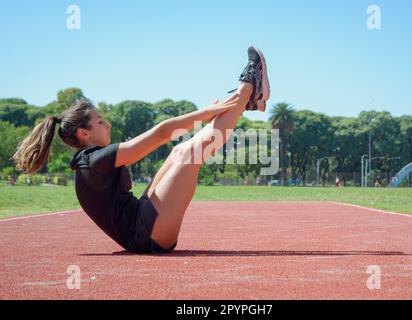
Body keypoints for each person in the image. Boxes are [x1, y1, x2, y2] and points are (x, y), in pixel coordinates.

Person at [12, 47, 270, 254]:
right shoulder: (92, 162)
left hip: (143, 223)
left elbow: (164, 137)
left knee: (181, 151)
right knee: (190, 154)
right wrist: (203, 113)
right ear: (84, 133)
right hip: (146, 236)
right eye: (100, 120)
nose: (107, 123)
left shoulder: (89, 162)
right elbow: (160, 134)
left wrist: (209, 115)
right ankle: (248, 85)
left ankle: (247, 99)